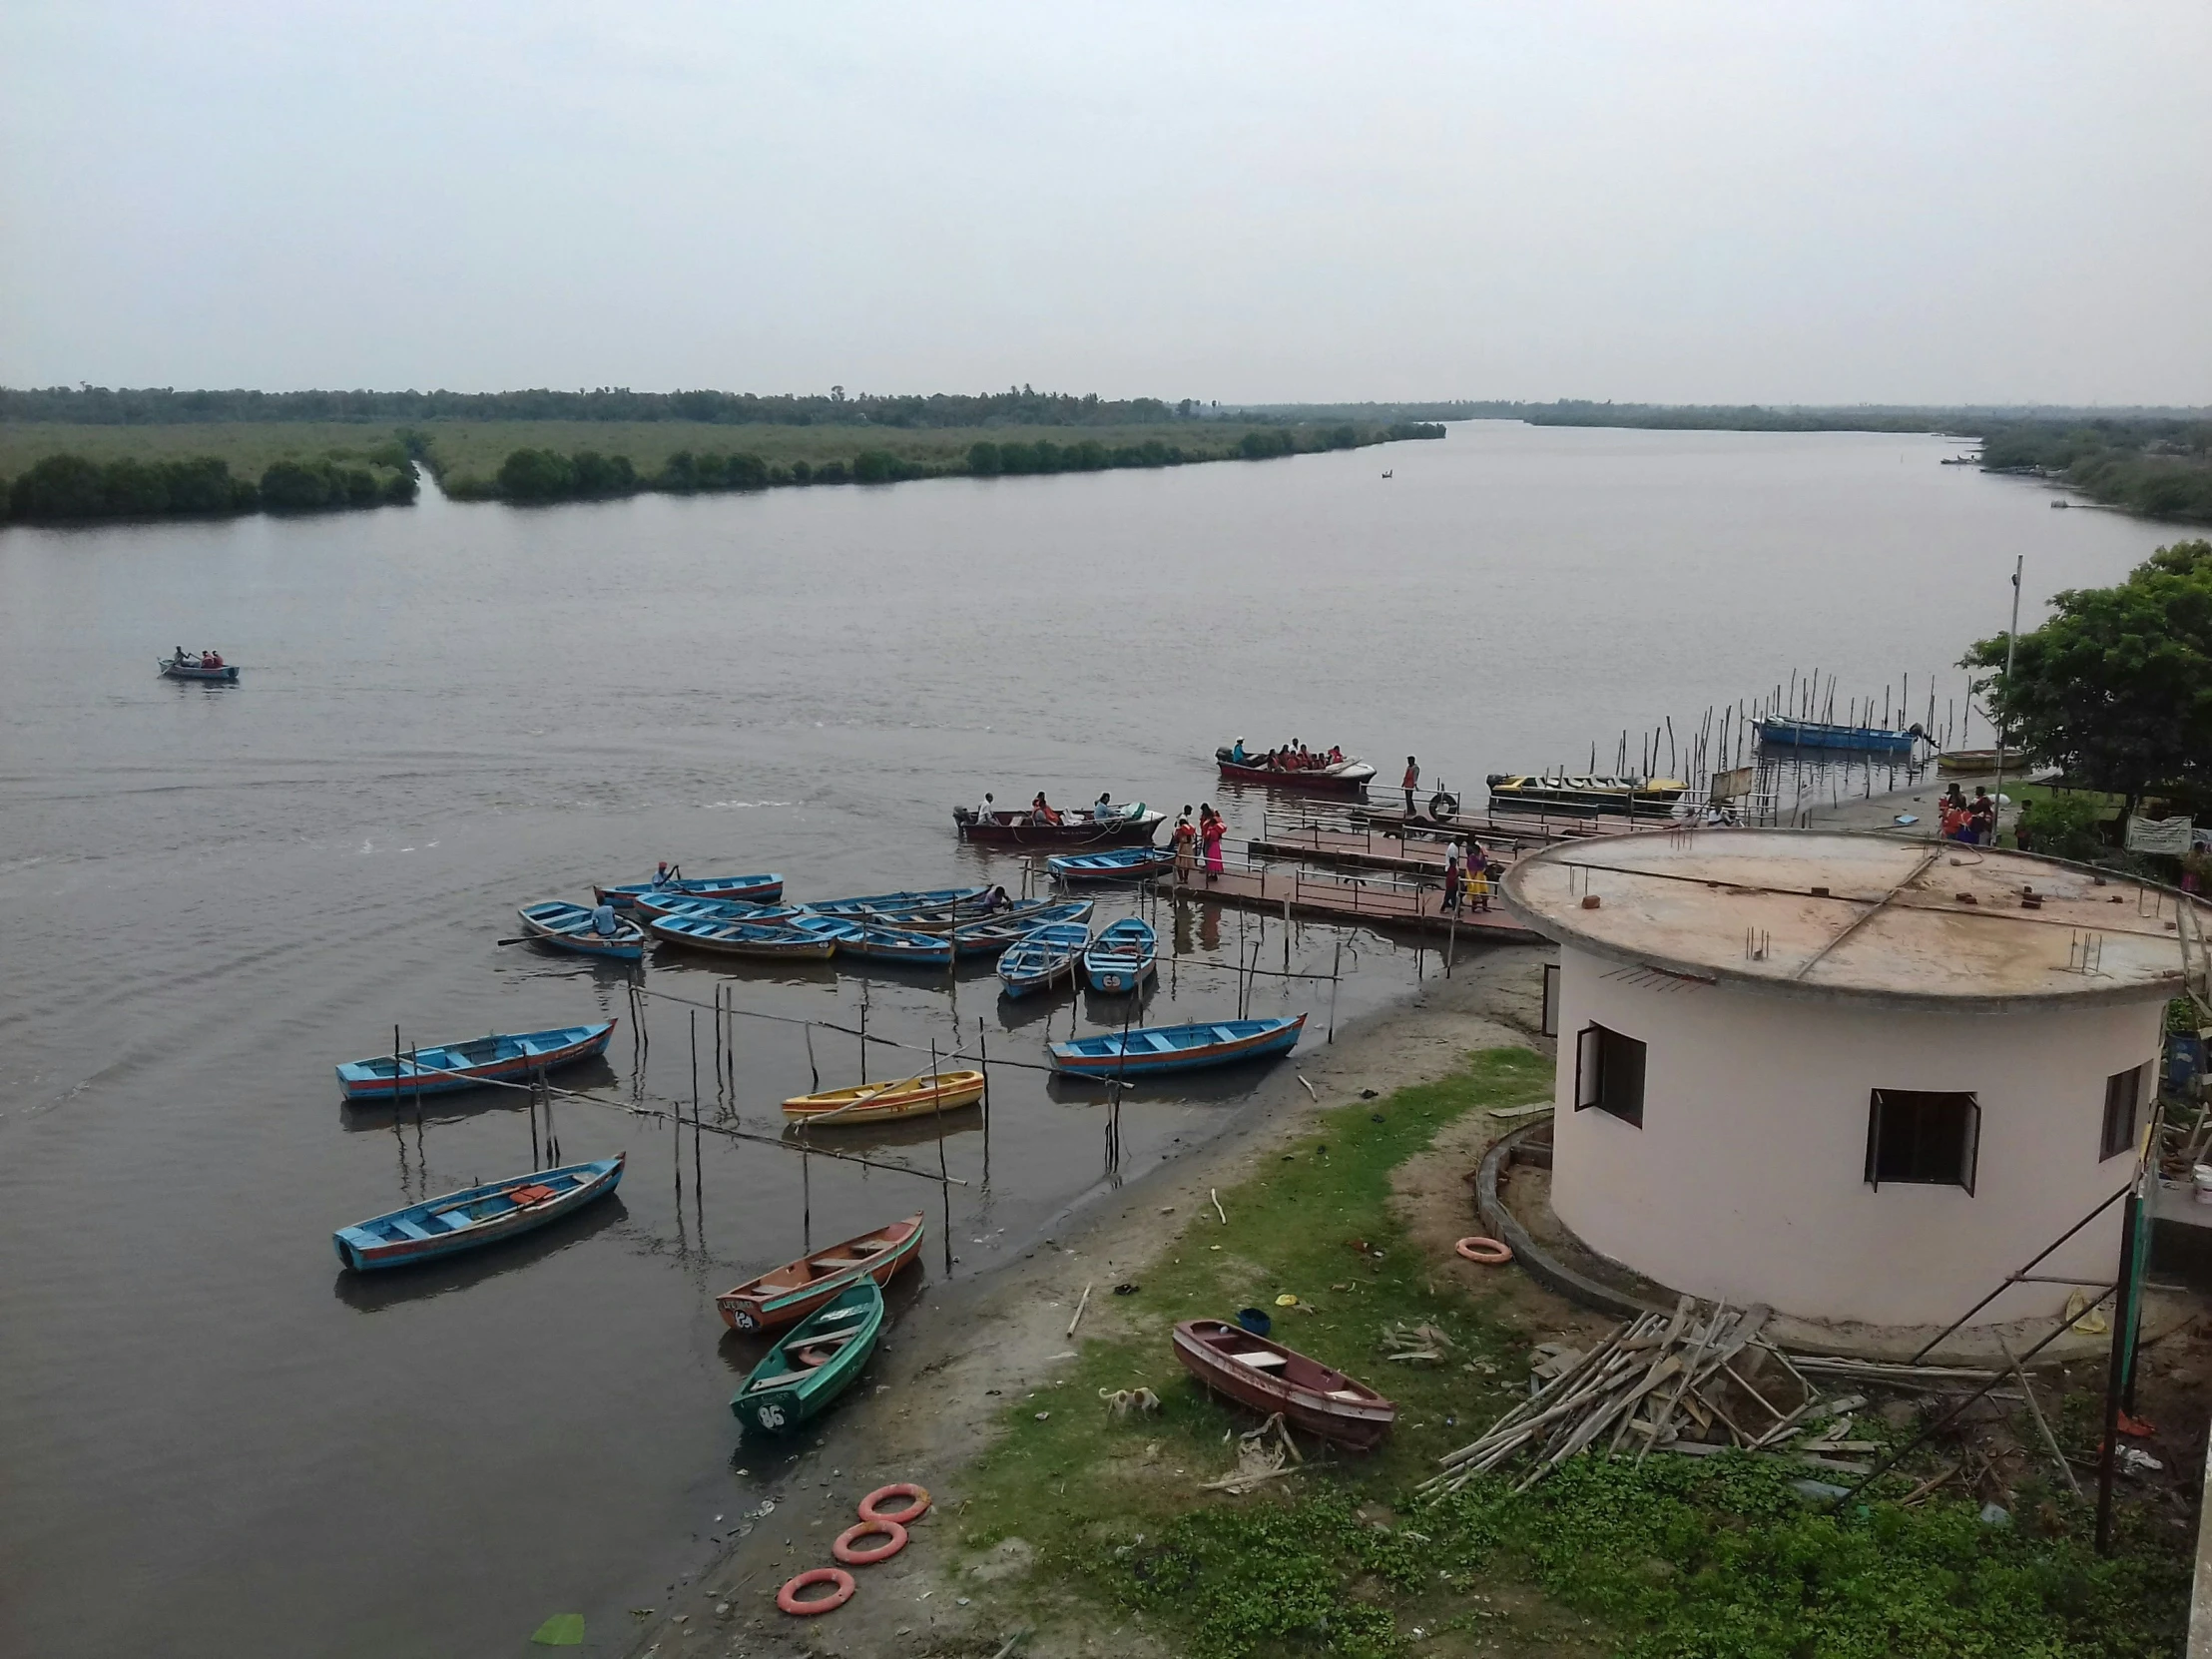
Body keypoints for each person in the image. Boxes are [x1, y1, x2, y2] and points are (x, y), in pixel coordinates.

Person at [1172, 812, 1196, 886]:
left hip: (1182, 848)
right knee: (1187, 865)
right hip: (1189, 848)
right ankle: (1186, 879)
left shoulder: (1180, 831)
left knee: (1178, 864)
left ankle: (1181, 878)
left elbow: (1176, 839)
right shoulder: (1190, 833)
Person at [1201, 808, 1226, 881]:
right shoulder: (1217, 831)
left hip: (1211, 846)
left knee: (1210, 860)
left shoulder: (1211, 830)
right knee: (1216, 860)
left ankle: (1211, 874)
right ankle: (1215, 874)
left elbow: (1208, 837)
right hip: (1216, 845)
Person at [1441, 840, 1463, 910]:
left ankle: (1444, 908)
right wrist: (1456, 876)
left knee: (1448, 896)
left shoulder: (1452, 868)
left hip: (1450, 884)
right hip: (1451, 884)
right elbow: (1451, 877)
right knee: (1452, 896)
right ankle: (1455, 908)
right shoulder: (1451, 869)